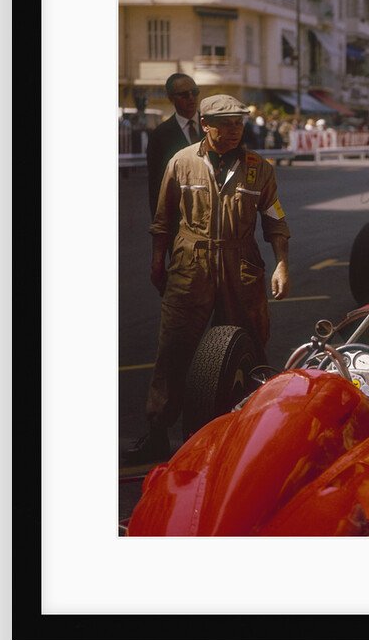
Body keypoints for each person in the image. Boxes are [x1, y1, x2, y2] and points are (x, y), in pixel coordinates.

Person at [123, 94, 291, 464]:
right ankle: (157, 433)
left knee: (250, 347)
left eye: (239, 123)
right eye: (226, 123)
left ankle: (247, 431)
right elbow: (163, 219)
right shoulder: (181, 163)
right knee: (174, 348)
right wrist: (157, 262)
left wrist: (281, 264)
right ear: (205, 125)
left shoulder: (257, 168)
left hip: (241, 264)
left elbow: (275, 220)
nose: (234, 130)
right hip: (191, 264)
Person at [146, 74, 202, 217]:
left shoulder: (213, 126)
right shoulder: (159, 136)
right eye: (184, 94)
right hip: (181, 215)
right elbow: (156, 184)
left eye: (194, 92)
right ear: (171, 99)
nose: (191, 97)